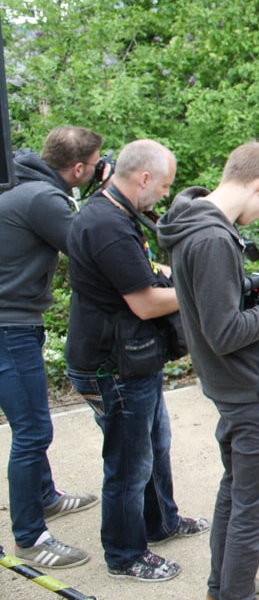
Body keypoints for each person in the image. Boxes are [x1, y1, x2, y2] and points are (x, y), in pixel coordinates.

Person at [157, 141, 259, 600]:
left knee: (235, 493)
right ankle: (235, 592)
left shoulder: (191, 218)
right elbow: (225, 332)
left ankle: (223, 585)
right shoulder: (211, 238)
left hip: (228, 386)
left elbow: (214, 306)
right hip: (248, 393)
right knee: (253, 508)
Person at [65, 139, 208, 582]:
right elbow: (145, 304)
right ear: (143, 178)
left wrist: (168, 275)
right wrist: (203, 289)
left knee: (153, 446)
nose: (166, 194)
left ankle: (160, 523)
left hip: (131, 360)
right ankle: (125, 554)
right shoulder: (105, 224)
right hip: (113, 366)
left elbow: (140, 276)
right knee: (129, 463)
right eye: (164, 185)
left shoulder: (116, 211)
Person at [0, 127, 103, 569]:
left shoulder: (28, 185)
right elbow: (90, 247)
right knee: (32, 431)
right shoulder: (44, 198)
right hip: (9, 327)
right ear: (78, 168)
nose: (101, 167)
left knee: (29, 425)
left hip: (16, 322)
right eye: (97, 163)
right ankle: (29, 537)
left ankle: (44, 497)